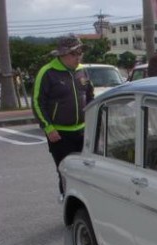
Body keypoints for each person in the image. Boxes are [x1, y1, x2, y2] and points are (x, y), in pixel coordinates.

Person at [33, 33, 94, 200]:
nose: (78, 57)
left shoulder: (82, 71)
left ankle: (84, 203)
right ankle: (67, 200)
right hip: (59, 133)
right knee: (65, 170)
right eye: (74, 53)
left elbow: (90, 97)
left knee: (86, 170)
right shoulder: (47, 73)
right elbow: (38, 103)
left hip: (83, 131)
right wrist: (48, 127)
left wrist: (92, 120)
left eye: (80, 52)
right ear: (62, 54)